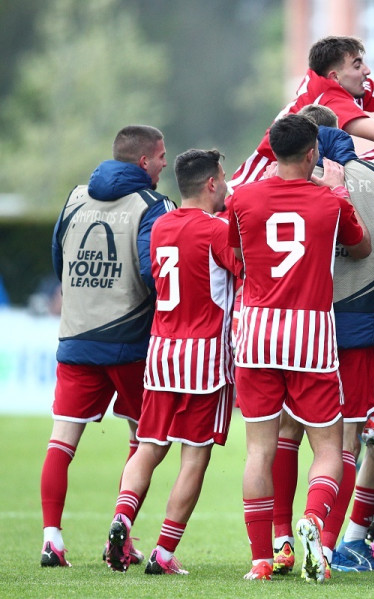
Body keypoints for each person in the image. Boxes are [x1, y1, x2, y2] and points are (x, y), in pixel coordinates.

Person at [268, 105, 374, 574]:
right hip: (353, 325)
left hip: (292, 325)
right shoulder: (371, 178)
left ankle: (280, 540)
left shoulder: (282, 179)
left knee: (287, 435)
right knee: (346, 437)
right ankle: (331, 545)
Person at [228, 113, 372, 581]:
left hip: (256, 334)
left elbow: (236, 254)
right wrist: (338, 188)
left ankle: (262, 559)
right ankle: (312, 521)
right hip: (311, 336)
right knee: (329, 447)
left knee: (259, 450)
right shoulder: (329, 202)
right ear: (313, 153)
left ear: (271, 152)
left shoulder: (242, 198)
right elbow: (362, 247)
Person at [103, 149, 242, 575]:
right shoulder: (217, 230)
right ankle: (163, 552)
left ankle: (122, 518)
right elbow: (247, 271)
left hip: (162, 352)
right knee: (194, 456)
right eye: (223, 178)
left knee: (149, 446)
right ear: (212, 184)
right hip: (205, 357)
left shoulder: (161, 225)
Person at [41, 125, 172, 568]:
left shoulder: (76, 197)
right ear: (143, 162)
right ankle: (123, 527)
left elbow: (59, 259)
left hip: (76, 337)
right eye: (160, 157)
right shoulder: (152, 205)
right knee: (144, 439)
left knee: (61, 441)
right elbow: (155, 274)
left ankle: (52, 539)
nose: (164, 164)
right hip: (132, 343)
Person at [231, 35, 374, 188]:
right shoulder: (330, 99)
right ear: (335, 76)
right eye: (357, 65)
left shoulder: (343, 84)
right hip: (260, 179)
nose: (367, 70)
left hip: (295, 174)